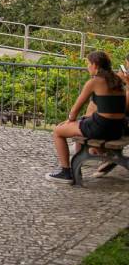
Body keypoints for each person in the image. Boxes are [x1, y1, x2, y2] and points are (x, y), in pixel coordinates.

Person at [46, 51, 128, 183]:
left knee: (58, 131)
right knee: (84, 121)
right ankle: (98, 153)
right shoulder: (117, 80)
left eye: (88, 64)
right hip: (118, 128)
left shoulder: (94, 82)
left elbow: (75, 109)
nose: (87, 67)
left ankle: (66, 172)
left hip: (101, 127)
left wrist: (69, 120)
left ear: (95, 65)